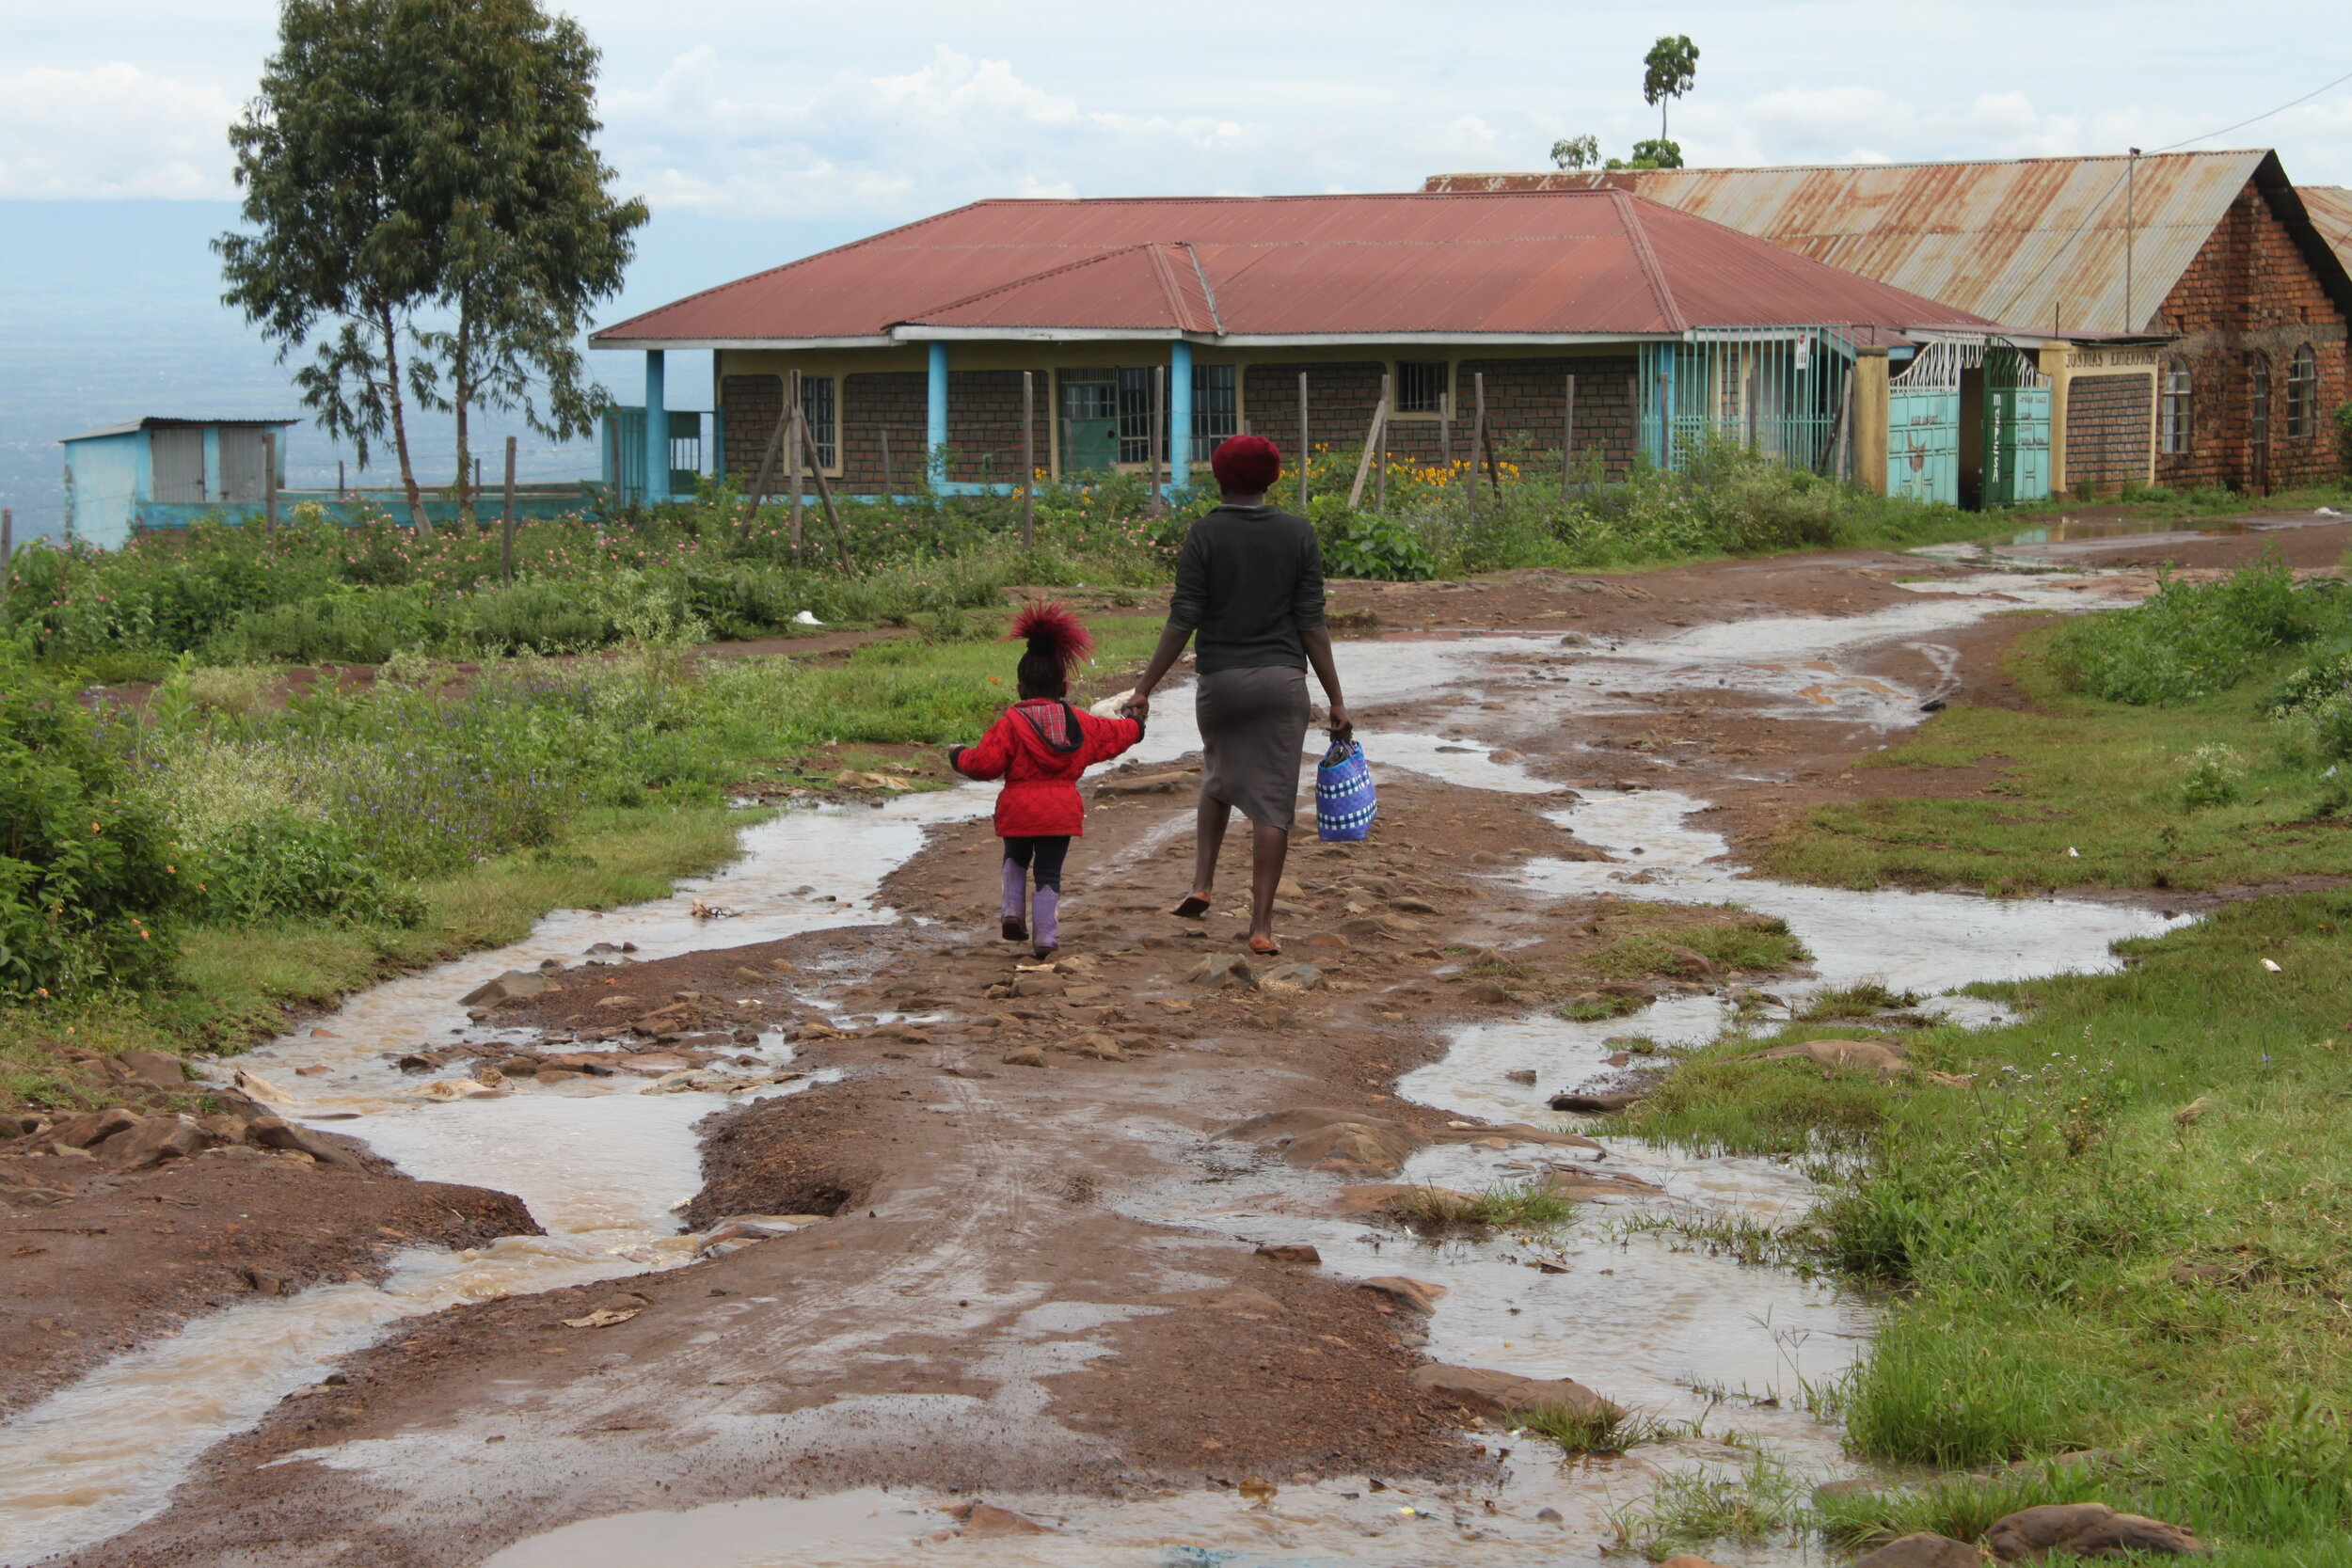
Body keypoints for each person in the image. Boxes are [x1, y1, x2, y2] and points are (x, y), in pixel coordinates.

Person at [1127, 435, 1349, 957]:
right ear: (1273, 479)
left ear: (1219, 478)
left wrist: (1144, 687)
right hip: (1281, 683)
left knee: (1219, 772)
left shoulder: (1204, 533)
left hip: (1220, 682)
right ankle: (1262, 926)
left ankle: (1202, 882)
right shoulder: (1299, 534)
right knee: (1273, 806)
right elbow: (1311, 621)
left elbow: (1184, 617)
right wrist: (1336, 697)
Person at [948, 601, 1143, 959]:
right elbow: (1115, 736)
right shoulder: (1082, 723)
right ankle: (1046, 939)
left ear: (1020, 689)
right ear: (1065, 684)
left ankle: (1011, 912)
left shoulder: (1010, 722)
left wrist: (957, 754)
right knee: (1050, 872)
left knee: (1016, 858)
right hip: (1060, 811)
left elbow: (984, 764)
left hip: (1018, 810)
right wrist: (1136, 723)